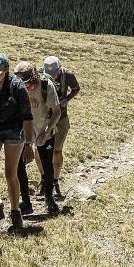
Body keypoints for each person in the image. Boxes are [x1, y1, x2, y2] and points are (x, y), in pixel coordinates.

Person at [0, 52, 35, 231]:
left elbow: (27, 117)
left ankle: (15, 212)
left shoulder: (17, 86)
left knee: (10, 174)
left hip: (14, 130)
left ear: (6, 71)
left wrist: (28, 144)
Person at [14, 61, 62, 215]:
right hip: (23, 132)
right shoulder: (15, 86)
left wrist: (46, 131)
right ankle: (26, 202)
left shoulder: (46, 85)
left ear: (33, 76)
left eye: (27, 82)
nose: (24, 86)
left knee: (48, 166)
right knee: (19, 167)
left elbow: (57, 112)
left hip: (44, 129)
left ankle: (49, 198)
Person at [42, 56, 80, 200]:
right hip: (45, 118)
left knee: (57, 151)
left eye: (55, 74)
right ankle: (44, 179)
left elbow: (76, 89)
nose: (52, 77)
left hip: (61, 118)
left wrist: (67, 99)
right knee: (40, 152)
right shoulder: (40, 75)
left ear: (60, 68)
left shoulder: (67, 75)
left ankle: (55, 180)